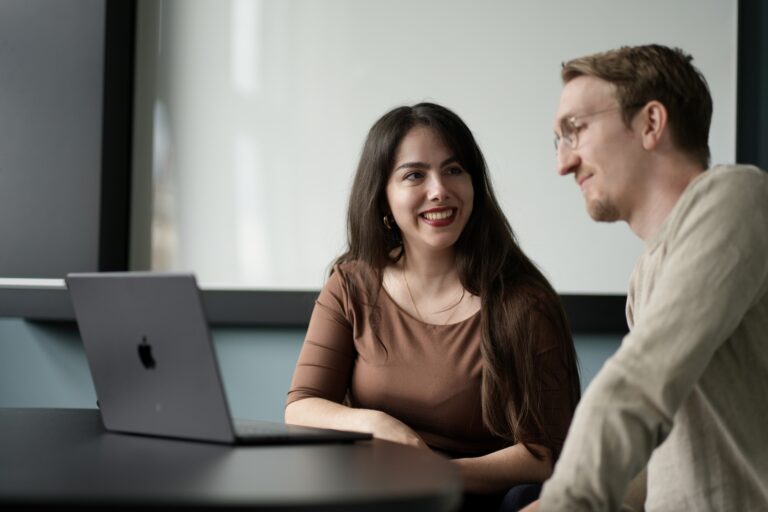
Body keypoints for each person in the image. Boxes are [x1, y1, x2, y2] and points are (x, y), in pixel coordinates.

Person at [285, 102, 581, 510]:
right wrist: (376, 423)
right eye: (414, 175)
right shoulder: (351, 284)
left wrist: (433, 474)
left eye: (454, 170)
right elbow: (302, 405)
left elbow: (543, 456)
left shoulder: (525, 303)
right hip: (376, 495)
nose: (439, 189)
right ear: (383, 196)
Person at [527, 45, 768, 511]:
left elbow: (635, 386)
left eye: (575, 129)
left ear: (651, 123)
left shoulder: (737, 197)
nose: (564, 163)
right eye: (559, 140)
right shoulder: (647, 273)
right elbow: (668, 462)